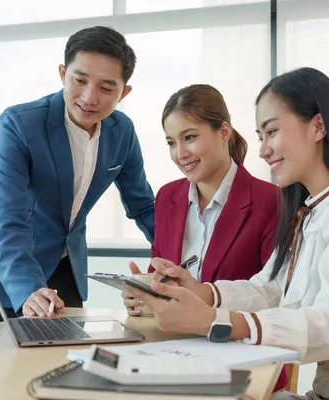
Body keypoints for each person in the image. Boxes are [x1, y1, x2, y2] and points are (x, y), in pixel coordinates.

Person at [127, 68, 329, 399]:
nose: (262, 150)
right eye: (261, 137)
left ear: (319, 126)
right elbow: (270, 288)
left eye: (272, 131)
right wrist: (203, 293)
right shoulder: (310, 210)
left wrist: (213, 321)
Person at [0, 26, 155, 329]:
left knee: (65, 365)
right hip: (8, 270)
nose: (90, 98)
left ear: (124, 92)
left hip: (66, 267)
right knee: (1, 368)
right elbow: (8, 216)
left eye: (107, 89)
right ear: (62, 74)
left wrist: (181, 263)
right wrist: (28, 288)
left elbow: (144, 207)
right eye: (79, 80)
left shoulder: (122, 131)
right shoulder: (19, 124)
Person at [122, 84, 288, 390]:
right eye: (171, 142)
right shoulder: (167, 197)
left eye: (190, 137)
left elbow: (278, 298)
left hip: (241, 358)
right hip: (171, 350)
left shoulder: (271, 201)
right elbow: (161, 277)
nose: (180, 154)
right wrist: (143, 293)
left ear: (224, 132)